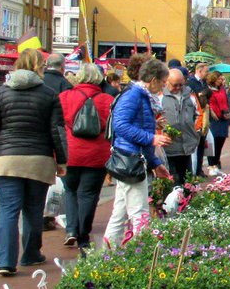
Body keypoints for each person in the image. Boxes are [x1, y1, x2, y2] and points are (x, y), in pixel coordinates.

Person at [0, 48, 67, 277]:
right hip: (39, 159)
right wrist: (62, 160)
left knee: (8, 210)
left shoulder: (1, 93)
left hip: (5, 160)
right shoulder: (48, 94)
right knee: (33, 210)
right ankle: (30, 254)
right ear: (39, 67)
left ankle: (6, 261)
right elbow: (57, 131)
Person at [104, 58, 171, 248]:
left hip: (134, 157)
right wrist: (151, 139)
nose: (163, 86)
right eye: (162, 81)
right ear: (153, 79)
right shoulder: (134, 95)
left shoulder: (140, 96)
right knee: (139, 211)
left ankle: (108, 254)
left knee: (120, 212)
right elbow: (121, 125)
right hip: (130, 159)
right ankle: (141, 253)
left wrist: (155, 163)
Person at [58, 63, 113, 250]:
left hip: (70, 152)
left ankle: (71, 229)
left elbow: (58, 124)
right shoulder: (106, 99)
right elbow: (111, 127)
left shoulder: (65, 97)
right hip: (97, 154)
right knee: (89, 194)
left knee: (70, 191)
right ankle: (83, 235)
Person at [159, 68, 199, 185]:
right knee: (171, 182)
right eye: (175, 85)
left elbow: (198, 115)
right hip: (168, 148)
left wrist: (196, 132)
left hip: (187, 147)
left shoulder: (190, 95)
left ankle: (187, 200)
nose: (178, 88)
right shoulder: (159, 97)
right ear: (166, 82)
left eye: (181, 84)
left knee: (188, 182)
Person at [205, 71, 230, 175]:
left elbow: (225, 102)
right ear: (214, 79)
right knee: (212, 142)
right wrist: (212, 112)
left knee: (220, 141)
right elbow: (207, 103)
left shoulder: (222, 90)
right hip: (214, 118)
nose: (222, 81)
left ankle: (216, 163)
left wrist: (227, 112)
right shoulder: (208, 90)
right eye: (220, 79)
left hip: (223, 118)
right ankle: (211, 165)